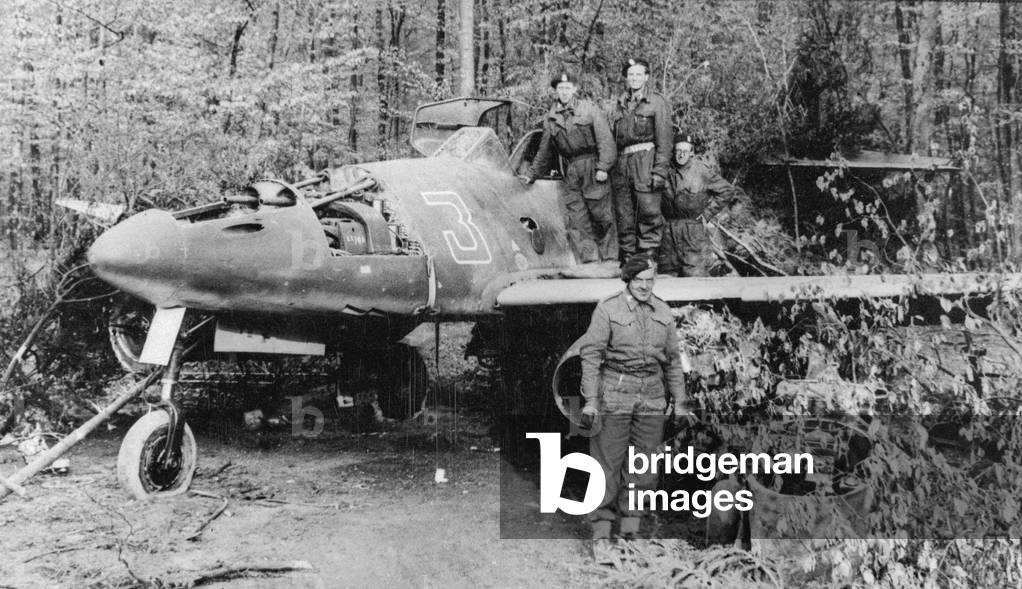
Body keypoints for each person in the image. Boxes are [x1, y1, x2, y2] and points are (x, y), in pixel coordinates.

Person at [578, 253, 687, 559]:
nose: (644, 286)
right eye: (638, 280)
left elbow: (674, 362)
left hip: (652, 395)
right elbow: (591, 356)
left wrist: (680, 400)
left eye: (649, 280)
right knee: (607, 467)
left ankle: (630, 533)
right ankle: (601, 535)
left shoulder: (663, 311)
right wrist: (591, 400)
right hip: (616, 392)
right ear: (627, 280)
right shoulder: (607, 309)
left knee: (643, 469)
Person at [525, 71, 618, 264]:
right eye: (561, 88)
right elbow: (544, 151)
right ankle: (590, 262)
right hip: (572, 171)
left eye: (568, 88)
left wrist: (603, 167)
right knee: (578, 220)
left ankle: (610, 261)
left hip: (593, 166)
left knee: (603, 217)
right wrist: (531, 174)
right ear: (556, 91)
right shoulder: (551, 118)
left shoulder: (589, 109)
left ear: (574, 89)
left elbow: (605, 140)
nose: (564, 92)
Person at [610, 58, 673, 265]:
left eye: (638, 74)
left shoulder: (656, 102)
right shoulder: (620, 104)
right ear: (626, 79)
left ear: (646, 77)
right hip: (622, 166)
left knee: (649, 213)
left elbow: (664, 141)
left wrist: (659, 172)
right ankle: (628, 261)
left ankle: (647, 262)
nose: (634, 78)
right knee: (624, 215)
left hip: (646, 163)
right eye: (631, 75)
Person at [658, 131, 747, 277]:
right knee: (667, 273)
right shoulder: (665, 170)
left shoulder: (701, 171)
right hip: (669, 232)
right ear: (673, 152)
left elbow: (727, 190)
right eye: (678, 151)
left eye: (685, 151)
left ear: (691, 152)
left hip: (693, 231)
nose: (681, 155)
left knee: (694, 274)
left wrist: (707, 214)